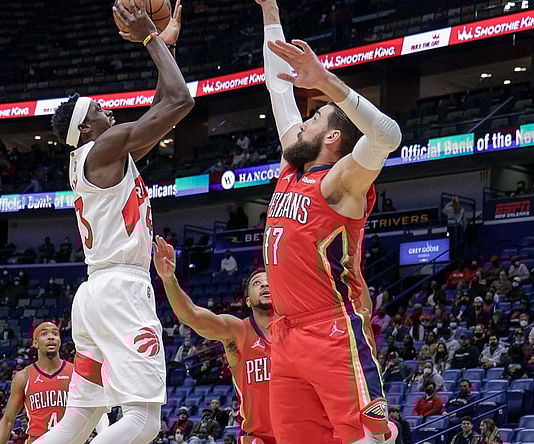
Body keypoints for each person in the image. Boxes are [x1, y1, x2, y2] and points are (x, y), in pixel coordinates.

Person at [39, 2, 190, 443]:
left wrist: (166, 46)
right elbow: (181, 101)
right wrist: (149, 39)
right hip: (122, 292)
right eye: (101, 111)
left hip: (94, 296)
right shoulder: (105, 149)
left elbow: (161, 111)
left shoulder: (99, 155)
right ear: (87, 129)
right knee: (144, 422)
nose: (109, 111)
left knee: (78, 423)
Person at [257, 0, 402, 440]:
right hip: (284, 334)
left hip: (332, 328)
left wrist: (329, 84)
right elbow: (277, 90)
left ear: (333, 136)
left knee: (365, 436)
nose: (301, 122)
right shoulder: (291, 165)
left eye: (313, 118)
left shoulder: (341, 182)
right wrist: (270, 11)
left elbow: (387, 135)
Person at [154, 237, 275, 443]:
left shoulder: (296, 328)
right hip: (259, 438)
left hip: (300, 432)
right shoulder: (239, 331)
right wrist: (169, 279)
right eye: (257, 283)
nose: (264, 285)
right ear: (247, 300)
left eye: (268, 282)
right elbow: (191, 315)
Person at [0, 322, 109, 443]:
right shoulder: (23, 377)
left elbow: (97, 408)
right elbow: (8, 420)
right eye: (44, 334)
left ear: (59, 341)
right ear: (35, 343)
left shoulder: (76, 373)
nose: (51, 337)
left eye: (55, 333)